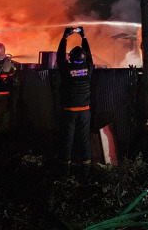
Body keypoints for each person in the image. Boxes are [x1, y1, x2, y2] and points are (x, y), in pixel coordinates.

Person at [56, 27, 94, 180]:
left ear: (70, 58)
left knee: (67, 141)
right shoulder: (88, 68)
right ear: (84, 58)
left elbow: (59, 57)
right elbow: (90, 56)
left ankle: (65, 172)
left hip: (69, 111)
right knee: (84, 140)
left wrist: (64, 37)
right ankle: (85, 172)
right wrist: (83, 37)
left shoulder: (66, 68)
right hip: (85, 111)